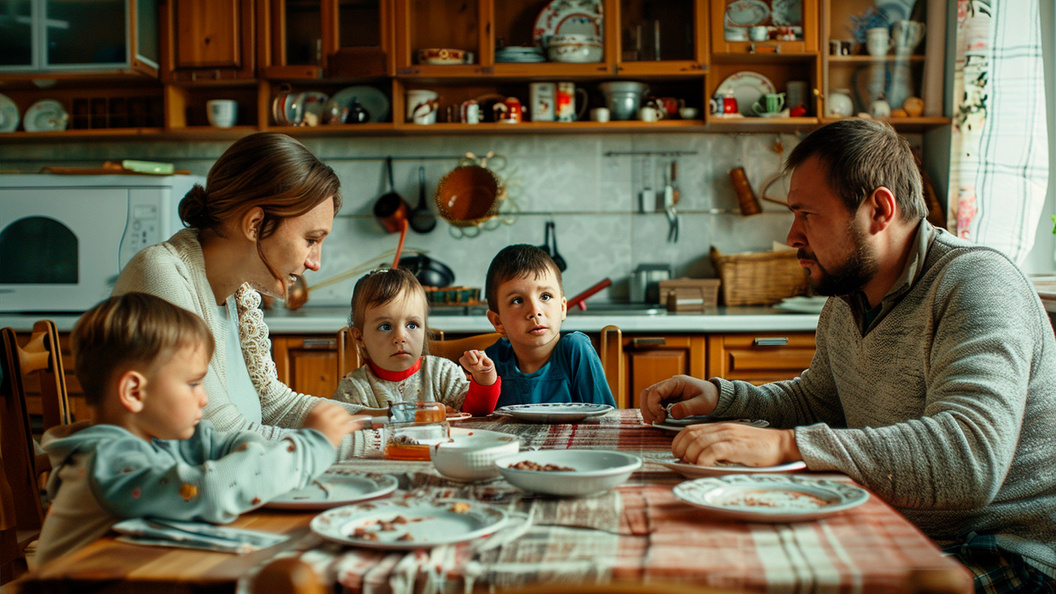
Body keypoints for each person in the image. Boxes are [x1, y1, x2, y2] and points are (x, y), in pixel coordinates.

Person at [640, 119, 1056, 590]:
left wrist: (786, 446)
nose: (792, 235)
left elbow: (969, 456)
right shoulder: (847, 297)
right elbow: (819, 403)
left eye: (807, 215)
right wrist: (724, 398)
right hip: (895, 524)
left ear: (879, 209)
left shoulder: (977, 284)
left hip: (997, 551)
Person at [35, 293, 352, 566]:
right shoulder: (109, 460)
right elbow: (210, 491)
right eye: (192, 383)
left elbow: (220, 443)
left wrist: (248, 450)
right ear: (134, 392)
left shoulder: (159, 438)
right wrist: (313, 446)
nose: (203, 398)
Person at [113, 132, 371, 457]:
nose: (315, 263)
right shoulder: (162, 277)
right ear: (255, 224)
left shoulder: (239, 288)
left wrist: (392, 422)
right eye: (310, 240)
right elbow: (220, 436)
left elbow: (274, 404)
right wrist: (380, 443)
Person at [331, 267, 500, 416]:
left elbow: (477, 413)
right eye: (385, 326)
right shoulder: (353, 389)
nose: (400, 337)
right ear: (360, 337)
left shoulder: (442, 374)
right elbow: (343, 431)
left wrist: (485, 379)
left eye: (412, 325)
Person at [483, 244, 615, 408]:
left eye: (545, 296)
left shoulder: (575, 350)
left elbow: (604, 419)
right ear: (498, 322)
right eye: (517, 300)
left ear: (562, 308)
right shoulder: (493, 361)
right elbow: (478, 422)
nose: (535, 311)